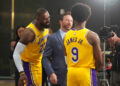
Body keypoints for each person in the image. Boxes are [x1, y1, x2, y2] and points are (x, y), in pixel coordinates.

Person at [64, 3, 103, 86]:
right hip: (86, 72)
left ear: (73, 17)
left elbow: (65, 54)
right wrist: (95, 71)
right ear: (88, 17)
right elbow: (100, 61)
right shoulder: (92, 35)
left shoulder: (66, 35)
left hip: (71, 72)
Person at [13, 8, 50, 86]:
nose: (48, 20)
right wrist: (21, 73)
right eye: (45, 19)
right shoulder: (29, 32)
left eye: (49, 17)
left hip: (38, 63)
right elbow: (16, 53)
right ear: (38, 19)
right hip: (28, 64)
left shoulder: (46, 27)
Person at [42, 12, 73, 86]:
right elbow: (45, 57)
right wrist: (51, 73)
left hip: (73, 76)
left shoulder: (76, 37)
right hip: (57, 77)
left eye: (71, 21)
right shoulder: (52, 38)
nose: (69, 23)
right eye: (67, 20)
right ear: (61, 21)